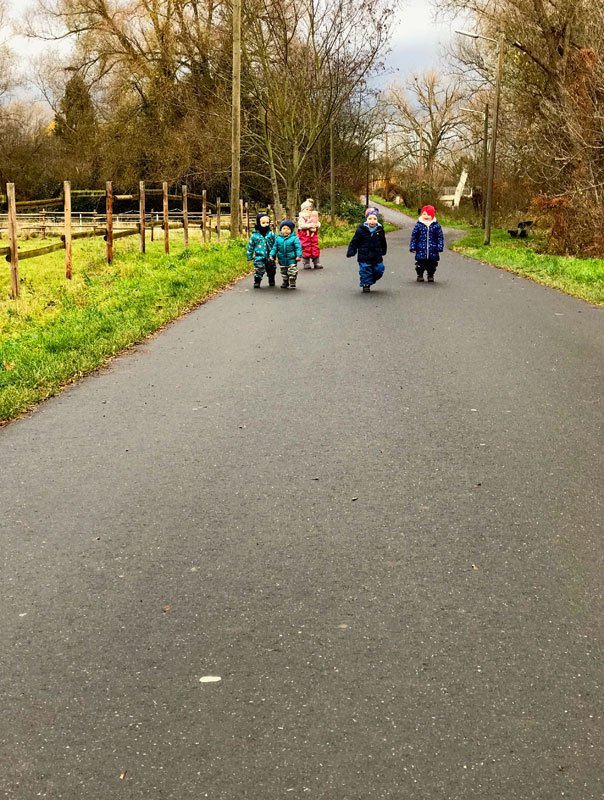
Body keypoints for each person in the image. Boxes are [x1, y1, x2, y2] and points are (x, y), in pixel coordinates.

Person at [346, 206, 387, 292]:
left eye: (375, 218)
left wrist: (383, 250)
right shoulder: (361, 230)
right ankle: (366, 284)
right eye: (370, 218)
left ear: (377, 220)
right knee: (365, 271)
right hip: (364, 256)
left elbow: (383, 241)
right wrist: (351, 251)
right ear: (366, 219)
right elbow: (354, 242)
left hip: (376, 255)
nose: (372, 221)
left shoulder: (380, 230)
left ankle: (372, 278)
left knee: (379, 269)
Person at [409, 205, 444, 282]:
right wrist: (412, 247)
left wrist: (439, 247)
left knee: (432, 265)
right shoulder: (418, 225)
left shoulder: (436, 226)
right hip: (421, 248)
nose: (426, 216)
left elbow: (440, 237)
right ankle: (420, 275)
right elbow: (414, 236)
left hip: (433, 249)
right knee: (420, 264)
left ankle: (430, 275)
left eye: (428, 214)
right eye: (424, 214)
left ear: (432, 215)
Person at [246, 212, 276, 288]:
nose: (266, 224)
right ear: (259, 223)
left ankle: (271, 279)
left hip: (270, 255)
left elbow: (276, 243)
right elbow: (250, 246)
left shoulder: (271, 233)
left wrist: (277, 252)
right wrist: (249, 255)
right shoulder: (255, 235)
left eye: (267, 222)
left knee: (271, 268)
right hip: (259, 256)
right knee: (259, 268)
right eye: (263, 223)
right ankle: (257, 281)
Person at [270, 219, 302, 289]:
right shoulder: (278, 239)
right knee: (283, 271)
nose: (286, 230)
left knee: (292, 271)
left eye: (288, 229)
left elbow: (298, 248)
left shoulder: (294, 239)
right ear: (280, 230)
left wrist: (298, 255)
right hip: (282, 259)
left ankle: (292, 280)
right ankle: (285, 281)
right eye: (284, 228)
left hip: (292, 258)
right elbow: (275, 248)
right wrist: (272, 255)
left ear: (291, 230)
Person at [298, 198, 322, 269]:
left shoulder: (313, 218)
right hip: (304, 237)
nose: (308, 211)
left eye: (310, 210)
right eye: (307, 209)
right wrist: (309, 226)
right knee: (306, 248)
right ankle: (306, 262)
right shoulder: (302, 218)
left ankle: (316, 262)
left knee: (315, 248)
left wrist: (317, 225)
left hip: (313, 237)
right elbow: (302, 226)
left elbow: (317, 223)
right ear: (303, 210)